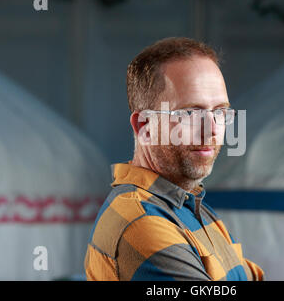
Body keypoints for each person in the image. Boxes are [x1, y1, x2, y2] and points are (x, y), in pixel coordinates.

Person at [84, 37, 264, 281]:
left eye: (220, 112)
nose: (211, 129)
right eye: (190, 112)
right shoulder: (141, 222)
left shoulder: (190, 204)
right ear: (145, 126)